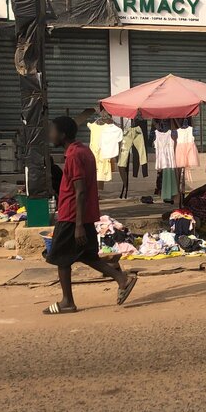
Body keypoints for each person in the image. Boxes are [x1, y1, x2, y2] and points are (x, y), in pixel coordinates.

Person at [43, 116, 137, 315]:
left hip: (72, 216)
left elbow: (80, 191)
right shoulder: (83, 150)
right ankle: (122, 279)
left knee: (61, 259)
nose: (50, 135)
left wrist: (77, 225)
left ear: (63, 134)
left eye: (52, 131)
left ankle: (67, 302)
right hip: (83, 215)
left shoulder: (74, 155)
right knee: (86, 254)